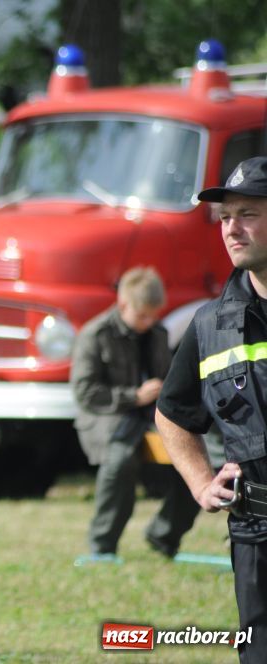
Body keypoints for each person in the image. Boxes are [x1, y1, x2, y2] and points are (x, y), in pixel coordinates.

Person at [156, 156, 267, 664]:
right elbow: (173, 414)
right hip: (254, 532)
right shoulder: (210, 323)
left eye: (247, 213)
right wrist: (201, 482)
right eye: (225, 217)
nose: (232, 229)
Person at [71, 266, 202, 564]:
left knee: (194, 459)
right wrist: (135, 395)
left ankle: (164, 534)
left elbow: (171, 378)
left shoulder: (158, 332)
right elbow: (86, 393)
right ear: (123, 305)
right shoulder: (95, 334)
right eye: (142, 315)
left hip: (151, 416)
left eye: (153, 315)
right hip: (107, 417)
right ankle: (103, 545)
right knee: (120, 461)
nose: (148, 322)